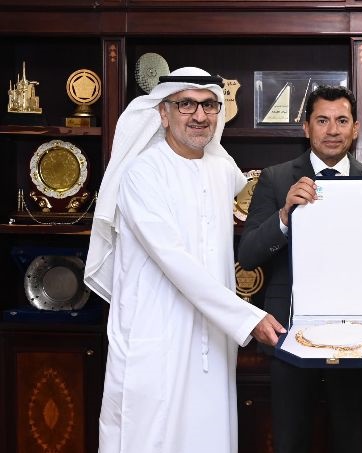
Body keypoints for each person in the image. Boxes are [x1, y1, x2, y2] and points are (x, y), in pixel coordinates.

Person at [83, 66, 286, 453]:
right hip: (158, 331)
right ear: (163, 113)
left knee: (209, 435)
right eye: (186, 104)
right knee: (151, 437)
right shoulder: (142, 173)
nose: (199, 115)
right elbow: (174, 259)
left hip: (212, 337)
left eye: (209, 105)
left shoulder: (222, 170)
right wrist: (247, 317)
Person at [237, 85, 362, 453]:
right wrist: (284, 216)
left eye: (342, 121)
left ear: (356, 128)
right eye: (322, 120)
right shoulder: (276, 179)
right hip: (288, 336)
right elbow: (249, 255)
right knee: (291, 441)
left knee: (352, 440)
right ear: (306, 128)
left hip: (360, 337)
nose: (333, 130)